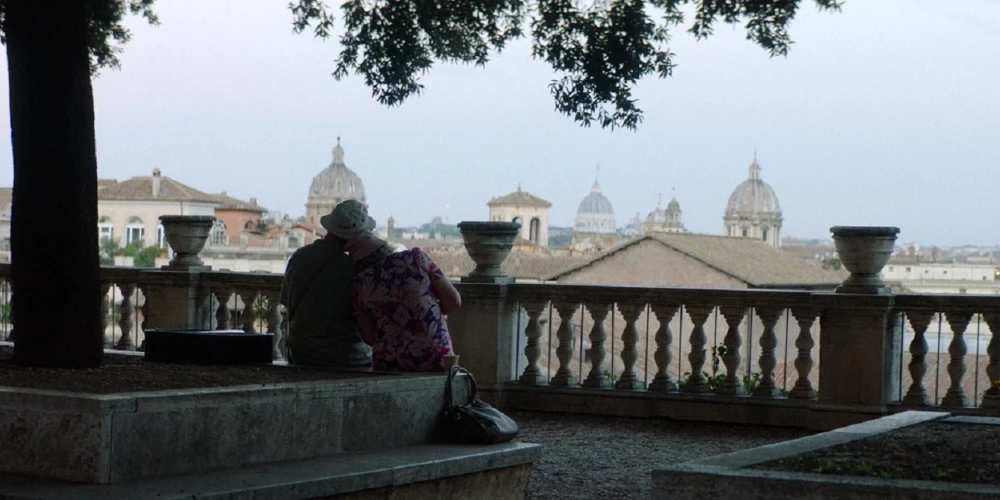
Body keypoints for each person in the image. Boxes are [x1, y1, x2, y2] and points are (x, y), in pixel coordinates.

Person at [322, 200, 461, 372]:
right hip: (437, 358)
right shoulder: (417, 258)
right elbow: (454, 301)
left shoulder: (359, 285)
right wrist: (424, 314)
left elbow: (370, 338)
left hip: (391, 365)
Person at [279, 212, 372, 369]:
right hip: (347, 357)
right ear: (357, 236)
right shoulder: (353, 267)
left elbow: (285, 300)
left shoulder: (299, 256)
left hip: (301, 353)